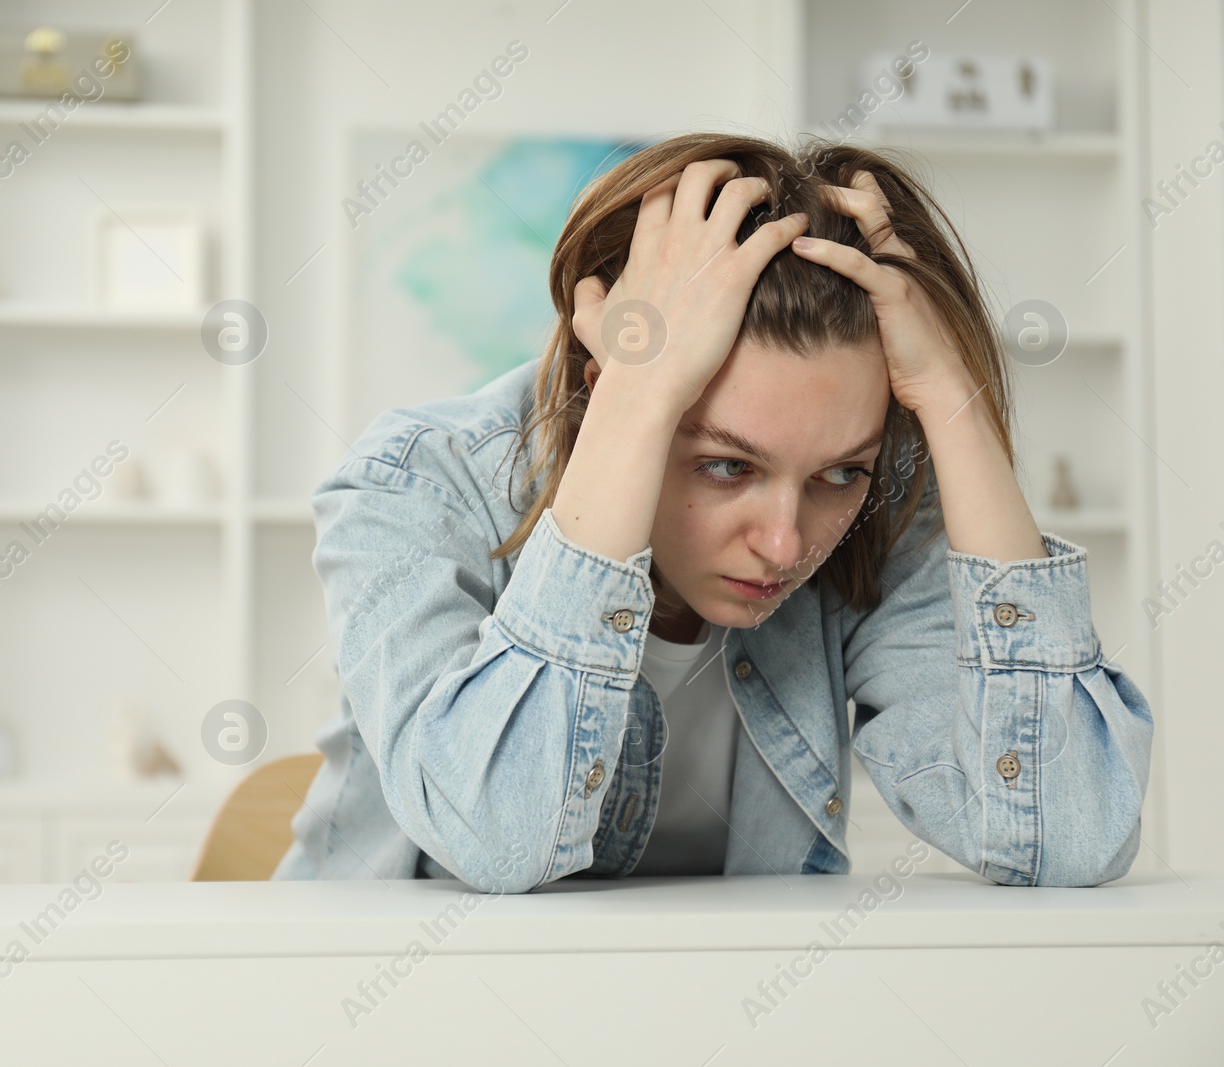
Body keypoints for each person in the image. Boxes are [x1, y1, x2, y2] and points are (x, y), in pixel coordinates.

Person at [271, 132, 1154, 893]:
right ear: (601, 387)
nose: (785, 542)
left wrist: (954, 405)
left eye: (840, 474)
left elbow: (1067, 837)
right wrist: (637, 402)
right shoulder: (413, 486)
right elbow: (502, 837)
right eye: (727, 464)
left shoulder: (875, 515)